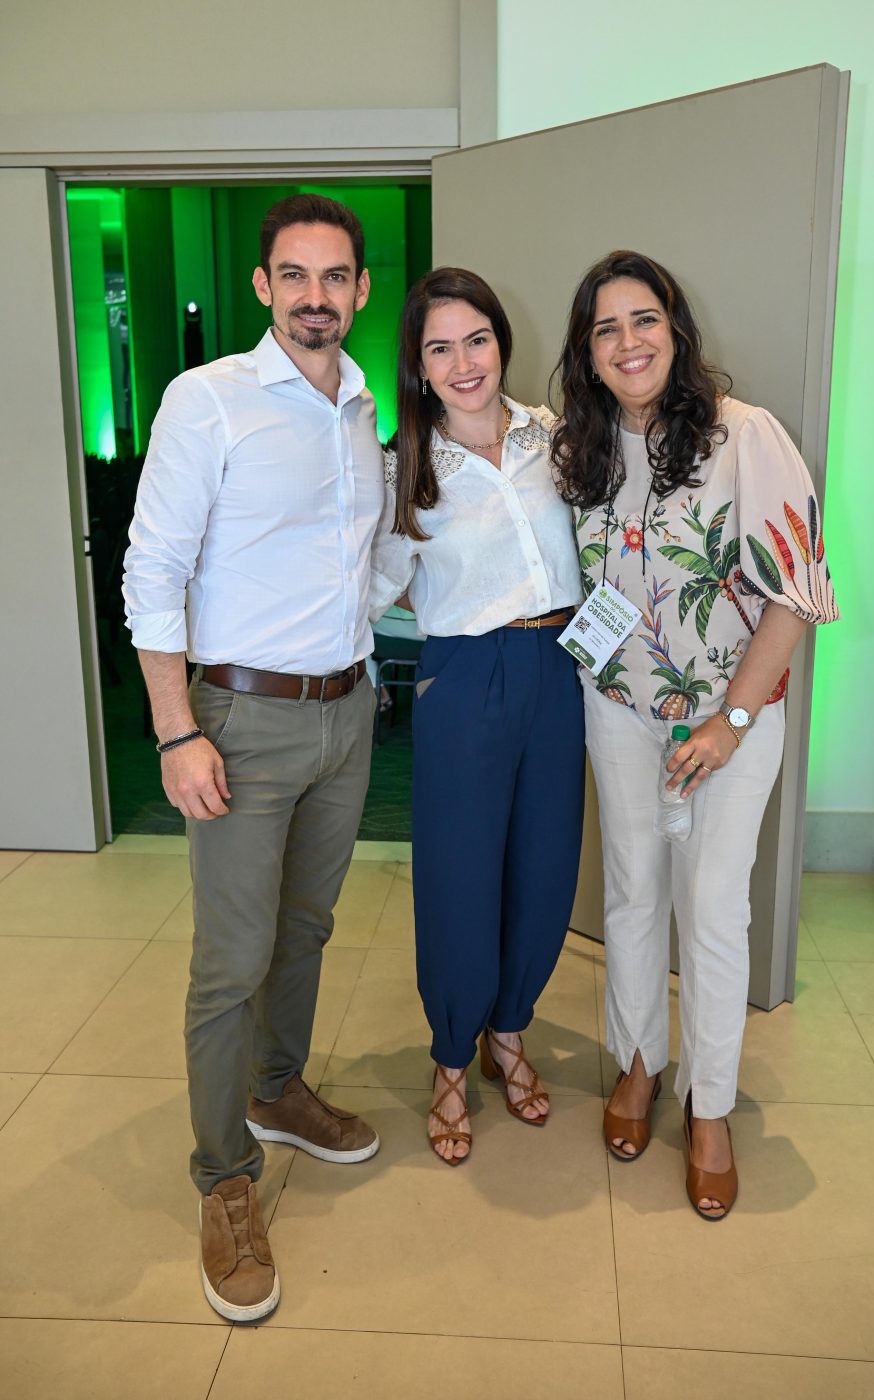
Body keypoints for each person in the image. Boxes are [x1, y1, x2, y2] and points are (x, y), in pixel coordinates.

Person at [123, 194, 384, 1319]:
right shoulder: (209, 401)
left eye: (336, 277)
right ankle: (223, 1175)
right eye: (296, 275)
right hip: (238, 720)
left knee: (310, 926)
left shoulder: (369, 405)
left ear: (361, 289)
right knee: (232, 956)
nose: (316, 295)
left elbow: (368, 564)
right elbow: (152, 569)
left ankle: (279, 1092)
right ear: (263, 287)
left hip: (346, 714)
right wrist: (177, 728)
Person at [551, 250, 839, 1219]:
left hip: (731, 715)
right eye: (605, 328)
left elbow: (797, 594)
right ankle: (638, 1059)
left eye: (644, 320)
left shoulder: (744, 436)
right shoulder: (582, 451)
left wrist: (730, 720)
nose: (627, 341)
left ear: (676, 332)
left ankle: (707, 1104)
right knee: (631, 888)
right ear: (586, 354)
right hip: (620, 707)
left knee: (710, 906)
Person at [370, 268, 585, 1164]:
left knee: (544, 865)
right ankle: (453, 1057)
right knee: (460, 876)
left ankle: (509, 1032)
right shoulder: (404, 467)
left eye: (476, 340)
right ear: (417, 366)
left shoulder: (559, 436)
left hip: (560, 665)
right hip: (463, 676)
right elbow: (372, 587)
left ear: (502, 342)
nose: (463, 363)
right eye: (438, 347)